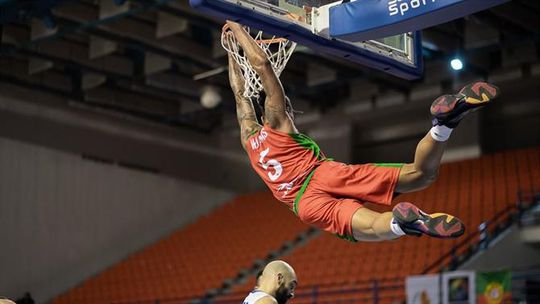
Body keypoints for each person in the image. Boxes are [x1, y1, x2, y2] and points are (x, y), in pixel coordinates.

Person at [225, 20, 499, 242]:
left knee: (370, 228)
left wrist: (230, 51)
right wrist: (236, 26)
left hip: (305, 204)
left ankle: (404, 225)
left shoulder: (248, 137)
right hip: (324, 175)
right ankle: (443, 124)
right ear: (280, 108)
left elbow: (240, 95)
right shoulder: (279, 123)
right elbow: (262, 65)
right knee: (419, 175)